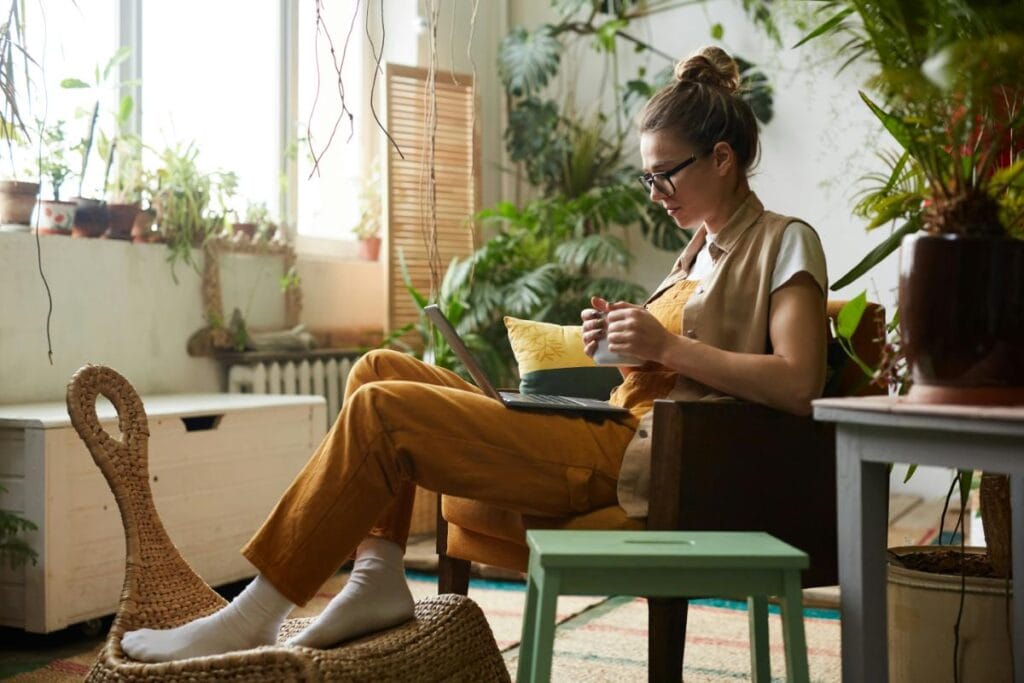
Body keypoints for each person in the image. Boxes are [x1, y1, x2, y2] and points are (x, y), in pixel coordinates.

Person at [121, 45, 828, 663]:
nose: (655, 194)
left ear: (724, 158)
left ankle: (252, 614)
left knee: (381, 409)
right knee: (378, 368)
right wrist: (621, 347)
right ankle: (378, 576)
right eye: (647, 178)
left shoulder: (784, 242)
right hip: (610, 424)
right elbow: (667, 369)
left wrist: (667, 343)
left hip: (637, 461)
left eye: (664, 175)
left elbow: (799, 383)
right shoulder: (693, 252)